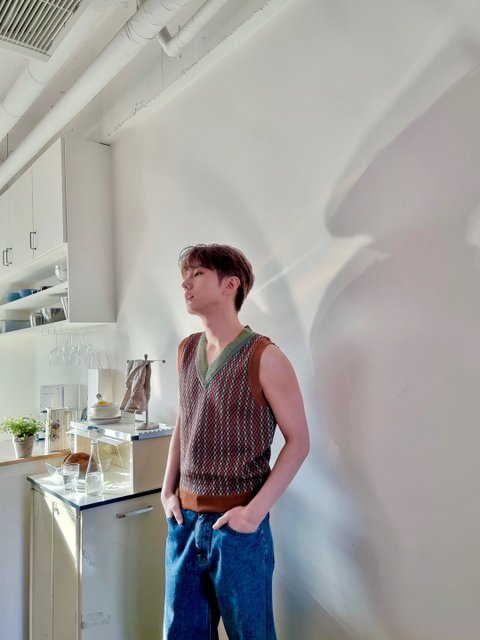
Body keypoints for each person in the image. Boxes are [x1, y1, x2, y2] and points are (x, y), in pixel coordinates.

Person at [161, 243, 309, 639]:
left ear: (231, 284)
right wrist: (167, 491)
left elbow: (299, 441)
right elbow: (185, 420)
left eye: (197, 274)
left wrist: (254, 514)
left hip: (238, 529)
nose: (186, 284)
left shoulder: (265, 357)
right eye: (185, 276)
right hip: (184, 523)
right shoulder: (186, 350)